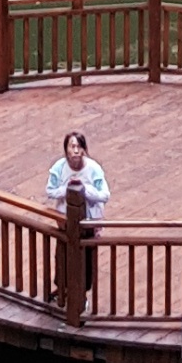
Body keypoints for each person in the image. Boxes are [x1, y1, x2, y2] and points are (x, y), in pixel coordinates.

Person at [47, 130, 111, 308]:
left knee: (85, 259)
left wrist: (86, 190)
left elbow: (104, 195)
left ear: (83, 149)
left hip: (88, 223)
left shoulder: (94, 169)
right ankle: (62, 290)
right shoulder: (59, 168)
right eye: (72, 146)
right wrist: (67, 188)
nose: (75, 150)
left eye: (78, 146)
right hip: (65, 222)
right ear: (66, 149)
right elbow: (50, 190)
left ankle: (82, 294)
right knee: (63, 255)